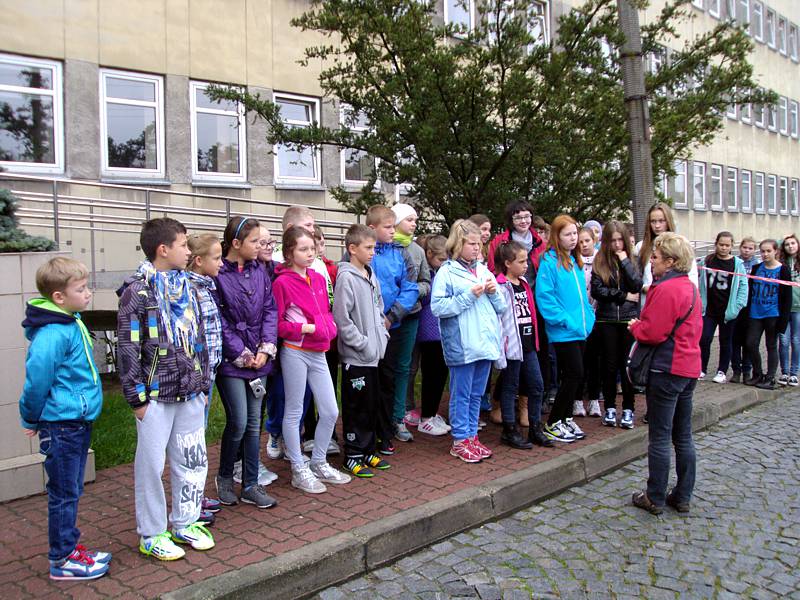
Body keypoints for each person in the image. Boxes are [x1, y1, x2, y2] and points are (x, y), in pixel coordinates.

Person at [117, 217, 213, 560]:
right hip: (156, 396)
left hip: (190, 391)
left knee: (192, 460)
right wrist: (137, 399)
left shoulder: (188, 287)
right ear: (163, 249)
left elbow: (198, 338)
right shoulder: (137, 292)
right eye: (183, 245)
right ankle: (152, 532)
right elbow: (128, 347)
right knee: (151, 467)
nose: (188, 251)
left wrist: (202, 383)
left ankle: (185, 521)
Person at [20, 257, 111, 580]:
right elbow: (37, 381)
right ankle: (62, 558)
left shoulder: (70, 322)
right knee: (64, 492)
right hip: (61, 424)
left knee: (71, 489)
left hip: (75, 420)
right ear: (59, 297)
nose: (88, 294)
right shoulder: (53, 334)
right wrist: (31, 417)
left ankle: (69, 548)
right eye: (81, 289)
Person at [272, 226, 351, 493]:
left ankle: (318, 462)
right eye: (303, 249)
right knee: (295, 411)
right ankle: (298, 468)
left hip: (319, 351)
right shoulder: (282, 283)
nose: (310, 253)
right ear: (289, 252)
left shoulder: (317, 277)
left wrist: (329, 328)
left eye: (312, 248)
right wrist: (305, 329)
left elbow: (325, 311)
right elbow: (279, 325)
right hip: (295, 351)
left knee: (330, 411)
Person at [629, 232, 702, 515]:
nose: (652, 261)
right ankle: (682, 495)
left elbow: (653, 332)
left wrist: (635, 327)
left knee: (660, 436)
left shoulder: (665, 289)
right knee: (683, 436)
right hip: (689, 368)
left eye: (656, 257)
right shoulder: (690, 288)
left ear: (670, 261)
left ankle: (655, 496)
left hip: (667, 367)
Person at [213, 217, 279, 509]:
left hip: (259, 359)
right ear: (236, 244)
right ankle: (225, 477)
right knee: (238, 421)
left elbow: (269, 310)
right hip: (233, 362)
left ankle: (251, 484)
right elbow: (218, 320)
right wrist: (240, 352)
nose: (260, 247)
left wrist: (265, 348)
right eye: (255, 242)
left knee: (253, 423)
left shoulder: (260, 271)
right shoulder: (218, 273)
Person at [432, 220, 505, 462]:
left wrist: (494, 293)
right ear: (458, 245)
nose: (476, 248)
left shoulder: (483, 270)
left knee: (476, 394)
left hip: (484, 343)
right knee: (461, 394)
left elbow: (501, 307)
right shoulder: (446, 272)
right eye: (471, 244)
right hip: (462, 345)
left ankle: (472, 436)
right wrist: (467, 296)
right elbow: (438, 307)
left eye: (479, 244)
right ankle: (460, 439)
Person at [333, 224, 391, 477]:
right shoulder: (346, 278)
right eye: (368, 248)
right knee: (356, 406)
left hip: (374, 356)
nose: (372, 252)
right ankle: (353, 454)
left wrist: (382, 337)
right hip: (356, 357)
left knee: (371, 404)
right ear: (352, 249)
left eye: (374, 248)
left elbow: (379, 307)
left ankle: (368, 450)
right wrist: (363, 343)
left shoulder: (370, 274)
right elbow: (342, 319)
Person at [535, 215, 596, 444]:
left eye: (574, 233)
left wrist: (588, 318)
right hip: (563, 330)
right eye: (568, 234)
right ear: (557, 236)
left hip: (580, 329)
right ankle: (553, 422)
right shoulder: (550, 262)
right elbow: (545, 298)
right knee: (573, 374)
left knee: (576, 376)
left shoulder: (574, 261)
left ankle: (565, 417)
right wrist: (565, 320)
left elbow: (582, 297)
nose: (573, 238)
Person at [368, 204, 420, 455]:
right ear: (372, 228)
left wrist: (392, 316)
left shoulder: (401, 253)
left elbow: (409, 287)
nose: (392, 231)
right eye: (387, 227)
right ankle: (367, 432)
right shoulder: (361, 252)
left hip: (393, 326)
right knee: (369, 381)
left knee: (388, 379)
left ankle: (386, 430)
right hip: (368, 329)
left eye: (392, 226)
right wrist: (372, 319)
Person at [494, 241, 551, 448]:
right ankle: (509, 429)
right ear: (508, 263)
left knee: (537, 385)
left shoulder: (524, 283)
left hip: (528, 344)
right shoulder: (500, 286)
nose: (526, 265)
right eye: (521, 261)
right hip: (511, 345)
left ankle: (535, 427)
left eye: (526, 260)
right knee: (510, 386)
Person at [186, 233, 225, 519]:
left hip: (208, 374)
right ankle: (191, 502)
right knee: (192, 440)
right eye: (217, 258)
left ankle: (197, 495)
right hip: (198, 377)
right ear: (199, 261)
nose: (221, 263)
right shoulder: (190, 291)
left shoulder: (207, 286)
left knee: (199, 435)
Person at [591, 221, 642, 428]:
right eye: (613, 241)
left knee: (626, 365)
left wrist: (625, 261)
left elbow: (637, 284)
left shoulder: (632, 260)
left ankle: (629, 408)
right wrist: (623, 296)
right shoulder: (600, 261)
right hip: (607, 319)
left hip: (628, 319)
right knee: (609, 366)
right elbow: (597, 290)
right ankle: (610, 407)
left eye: (620, 240)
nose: (617, 244)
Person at [390, 203, 430, 442]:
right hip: (385, 316)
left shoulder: (417, 251)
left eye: (415, 220)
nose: (414, 224)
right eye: (409, 219)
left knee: (404, 367)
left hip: (410, 315)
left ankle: (398, 417)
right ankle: (383, 415)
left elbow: (426, 281)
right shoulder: (380, 247)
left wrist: (413, 292)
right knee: (384, 367)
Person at [697, 231, 748, 384]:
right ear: (716, 244)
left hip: (728, 311)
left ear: (732, 246)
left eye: (727, 245)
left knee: (725, 341)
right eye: (721, 245)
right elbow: (697, 279)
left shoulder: (737, 264)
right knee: (704, 338)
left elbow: (743, 287)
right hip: (709, 309)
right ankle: (701, 368)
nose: (724, 248)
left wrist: (736, 307)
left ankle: (722, 371)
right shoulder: (706, 261)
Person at [414, 235, 453, 436]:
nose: (444, 263)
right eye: (440, 259)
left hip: (441, 330)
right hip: (429, 332)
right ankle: (426, 417)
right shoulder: (426, 274)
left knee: (440, 373)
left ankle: (433, 412)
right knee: (431, 374)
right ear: (429, 254)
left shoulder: (441, 272)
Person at [745, 239, 792, 390]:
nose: (765, 254)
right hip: (755, 312)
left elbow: (787, 297)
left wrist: (783, 320)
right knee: (751, 343)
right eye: (763, 251)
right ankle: (758, 373)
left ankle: (770, 377)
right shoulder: (756, 268)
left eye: (768, 251)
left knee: (771, 345)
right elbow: (749, 290)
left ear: (775, 251)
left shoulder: (783, 270)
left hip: (773, 313)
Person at [635, 202, 698, 301]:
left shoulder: (681, 245)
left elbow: (692, 278)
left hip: (674, 300)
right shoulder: (641, 247)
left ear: (668, 221)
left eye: (661, 221)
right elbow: (635, 278)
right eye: (653, 221)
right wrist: (644, 288)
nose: (657, 225)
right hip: (648, 301)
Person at [574, 226, 601, 418]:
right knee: (579, 360)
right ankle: (576, 400)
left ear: (594, 241)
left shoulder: (602, 261)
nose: (584, 245)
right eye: (580, 242)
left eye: (587, 241)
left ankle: (594, 399)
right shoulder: (573, 262)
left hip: (598, 315)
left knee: (595, 360)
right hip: (579, 317)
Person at [731, 237, 757, 383]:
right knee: (734, 340)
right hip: (735, 306)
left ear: (754, 250)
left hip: (750, 308)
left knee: (748, 341)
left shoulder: (757, 265)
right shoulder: (735, 262)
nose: (747, 251)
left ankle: (747, 371)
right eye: (745, 247)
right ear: (740, 247)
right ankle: (736, 370)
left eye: (750, 248)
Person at [778, 234, 800, 386]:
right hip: (783, 308)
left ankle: (794, 373)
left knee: (796, 340)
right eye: (787, 244)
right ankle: (784, 372)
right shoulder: (781, 263)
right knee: (783, 340)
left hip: (798, 307)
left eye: (793, 243)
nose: (790, 246)